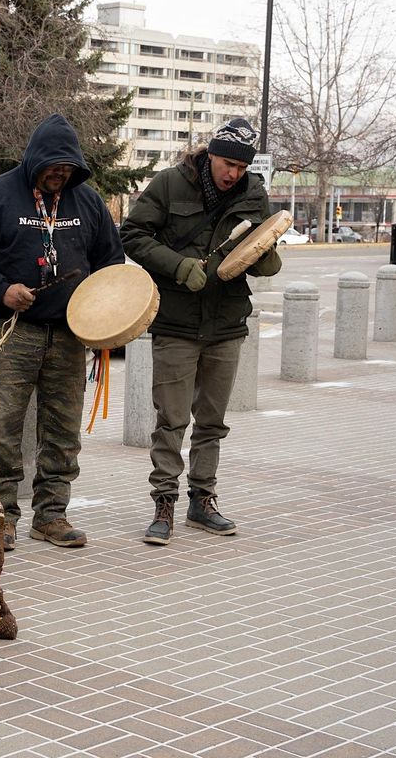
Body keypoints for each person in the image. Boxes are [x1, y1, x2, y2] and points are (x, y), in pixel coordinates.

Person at [0, 113, 123, 551]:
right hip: (10, 331)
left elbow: (111, 263)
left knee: (63, 431)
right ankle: (0, 516)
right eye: (53, 166)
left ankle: (51, 515)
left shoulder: (86, 202)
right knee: (3, 429)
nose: (59, 174)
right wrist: (1, 289)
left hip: (69, 334)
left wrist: (101, 311)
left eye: (67, 168)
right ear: (35, 160)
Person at [120, 117, 280, 547]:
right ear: (211, 154)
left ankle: (202, 501)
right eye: (227, 163)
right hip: (176, 321)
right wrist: (177, 265)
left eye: (241, 168)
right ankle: (164, 504)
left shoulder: (253, 192)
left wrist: (266, 257)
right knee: (171, 420)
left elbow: (263, 240)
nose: (233, 174)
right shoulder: (171, 184)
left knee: (212, 422)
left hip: (227, 323)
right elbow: (132, 234)